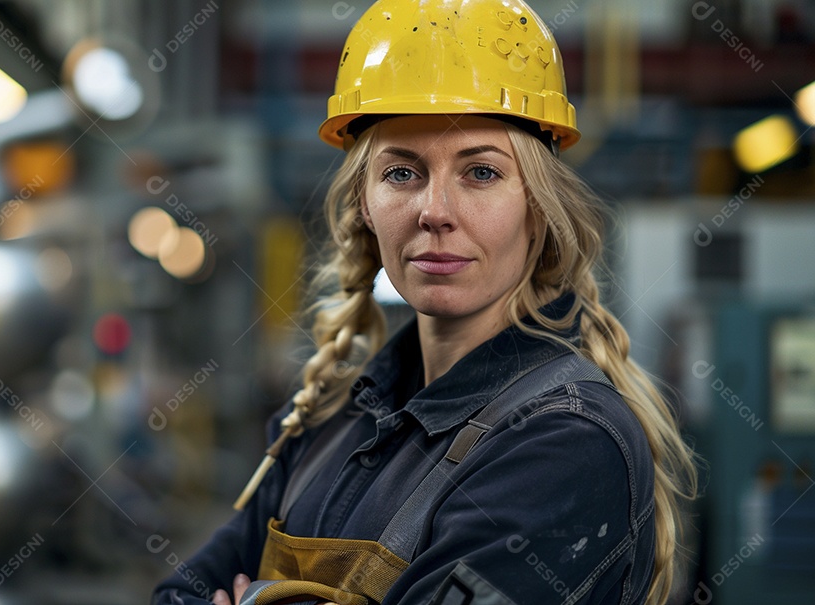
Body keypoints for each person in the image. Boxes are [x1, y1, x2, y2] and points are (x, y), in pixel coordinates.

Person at [153, 0, 697, 603]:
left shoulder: (567, 444)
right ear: (364, 200)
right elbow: (179, 592)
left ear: (537, 206)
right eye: (403, 173)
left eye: (481, 173)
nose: (435, 211)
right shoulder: (336, 417)